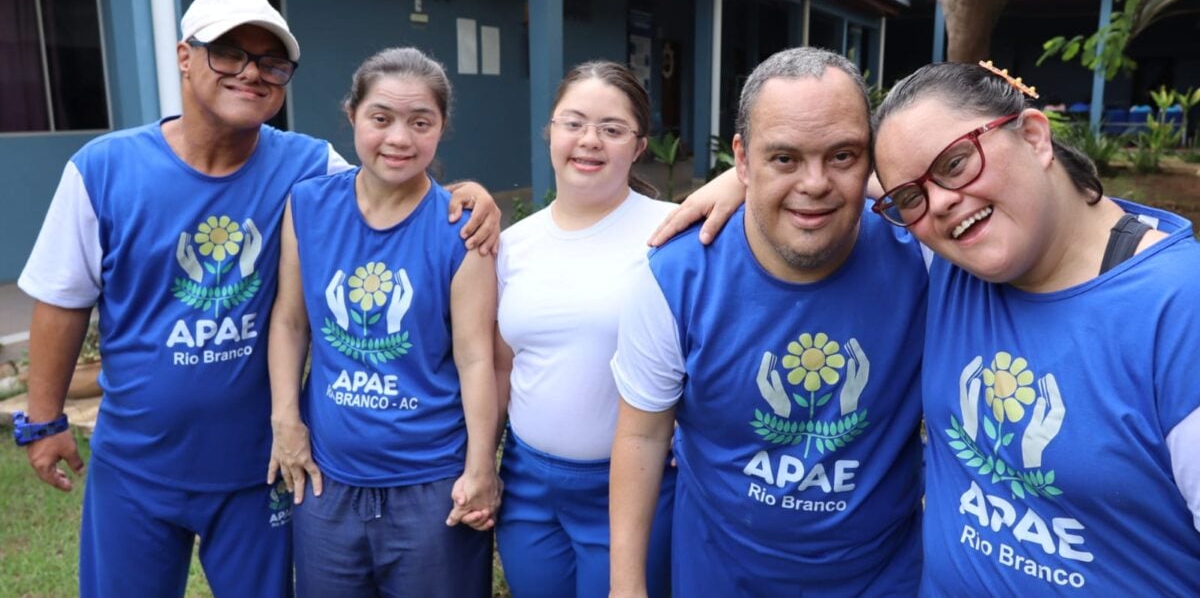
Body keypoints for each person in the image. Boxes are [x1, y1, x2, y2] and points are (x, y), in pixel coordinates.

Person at [15, 0, 498, 597]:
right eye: (229, 53)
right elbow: (62, 297)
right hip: (136, 464)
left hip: (261, 468)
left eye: (272, 63)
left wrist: (470, 195)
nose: (251, 73)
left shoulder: (307, 169)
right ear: (185, 57)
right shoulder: (103, 168)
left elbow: (392, 177)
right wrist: (44, 418)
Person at [870, 62, 1200, 595]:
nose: (941, 201)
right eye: (912, 198)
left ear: (1034, 136)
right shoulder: (949, 262)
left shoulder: (1179, 308)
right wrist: (743, 179)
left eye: (956, 162)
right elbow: (823, 184)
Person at [609, 47, 927, 597]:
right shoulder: (673, 279)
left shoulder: (922, 259)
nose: (815, 184)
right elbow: (641, 434)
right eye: (784, 158)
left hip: (881, 572)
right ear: (742, 156)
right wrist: (626, 587)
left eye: (843, 156)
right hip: (722, 570)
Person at [267, 47, 500, 597]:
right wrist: (286, 419)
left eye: (421, 122)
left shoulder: (461, 229)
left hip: (432, 485)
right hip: (327, 478)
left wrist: (479, 468)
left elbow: (474, 358)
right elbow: (290, 321)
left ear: (441, 129)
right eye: (381, 118)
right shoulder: (307, 205)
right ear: (352, 116)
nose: (399, 139)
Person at [493, 61, 675, 598]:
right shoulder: (512, 243)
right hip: (528, 482)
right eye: (573, 123)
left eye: (612, 129)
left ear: (639, 145)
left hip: (631, 489)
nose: (589, 141)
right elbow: (503, 362)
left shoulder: (671, 232)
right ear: (549, 131)